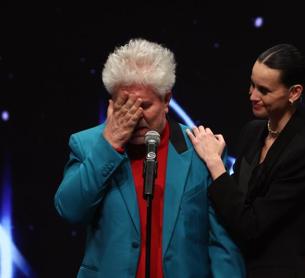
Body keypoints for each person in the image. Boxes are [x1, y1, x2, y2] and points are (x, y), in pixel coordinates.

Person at [54, 38, 245, 278]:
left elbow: (222, 243)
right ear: (111, 103)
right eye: (125, 105)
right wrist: (110, 145)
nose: (135, 116)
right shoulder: (87, 144)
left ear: (166, 100)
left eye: (144, 105)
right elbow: (70, 210)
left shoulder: (201, 149)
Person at [186, 43, 305, 278]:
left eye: (264, 90)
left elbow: (250, 226)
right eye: (252, 84)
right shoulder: (252, 133)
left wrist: (215, 163)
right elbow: (236, 204)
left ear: (294, 93)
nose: (252, 95)